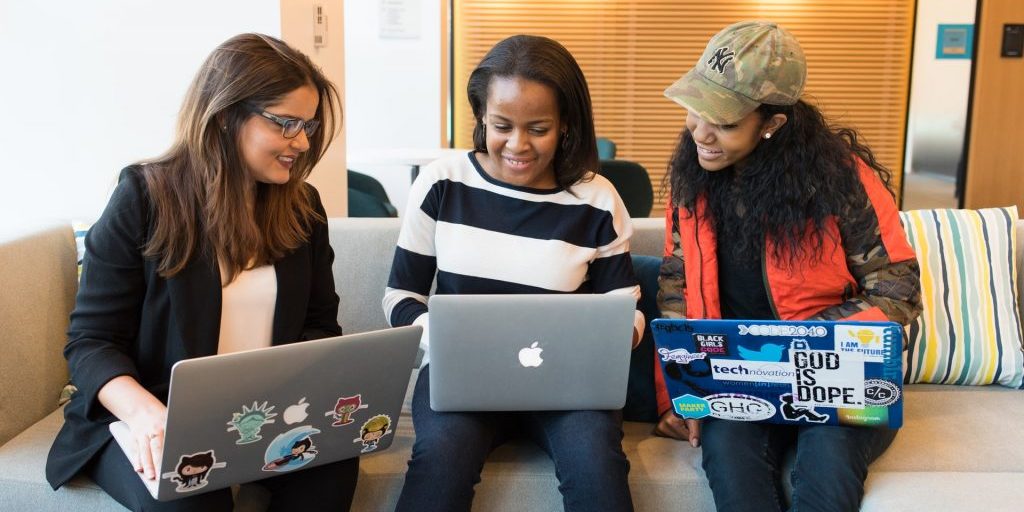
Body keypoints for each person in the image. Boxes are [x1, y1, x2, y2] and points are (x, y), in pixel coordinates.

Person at [45, 33, 357, 511]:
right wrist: (148, 417)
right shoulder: (144, 197)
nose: (302, 141)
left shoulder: (303, 208)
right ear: (227, 115)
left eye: (309, 126)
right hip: (150, 414)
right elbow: (91, 342)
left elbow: (319, 325)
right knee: (192, 500)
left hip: (262, 416)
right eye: (286, 123)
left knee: (332, 471)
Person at [653, 21, 922, 512]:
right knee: (733, 472)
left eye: (726, 122)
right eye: (696, 110)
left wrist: (796, 347)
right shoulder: (692, 179)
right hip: (735, 379)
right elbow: (677, 286)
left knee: (827, 472)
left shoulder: (842, 181)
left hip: (840, 374)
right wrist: (680, 392)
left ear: (772, 123)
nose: (701, 132)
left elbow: (896, 291)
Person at [383, 34, 643, 512]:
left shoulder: (596, 199)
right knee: (441, 457)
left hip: (570, 387)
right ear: (481, 115)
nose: (517, 145)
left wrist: (616, 334)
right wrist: (438, 336)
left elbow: (625, 308)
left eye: (538, 128)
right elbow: (401, 296)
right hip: (460, 378)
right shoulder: (443, 183)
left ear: (566, 125)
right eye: (502, 125)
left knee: (596, 462)